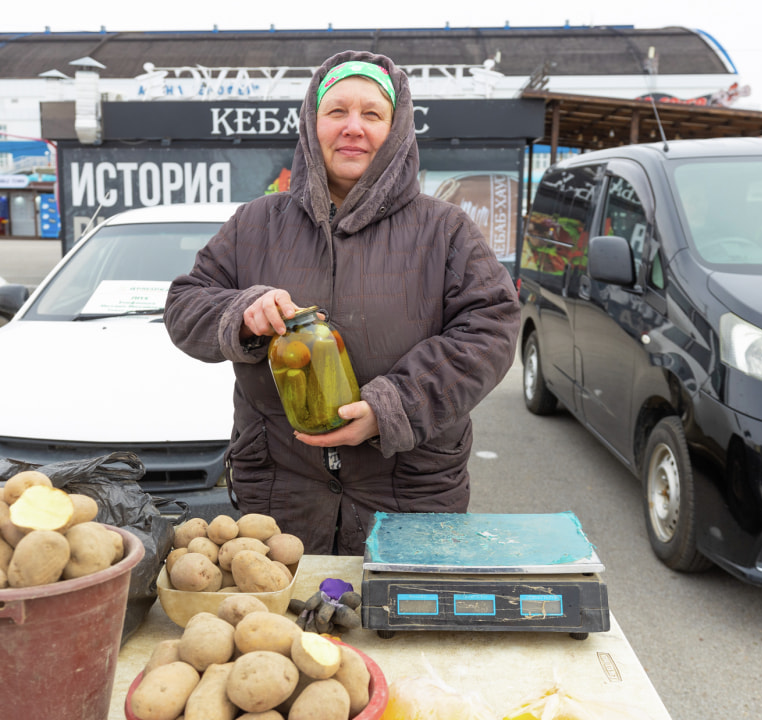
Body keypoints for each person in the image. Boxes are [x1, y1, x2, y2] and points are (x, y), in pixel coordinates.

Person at [165, 50, 519, 555]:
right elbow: (185, 303)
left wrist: (393, 406)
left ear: (395, 131)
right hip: (280, 494)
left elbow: (492, 329)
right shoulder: (255, 223)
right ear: (313, 126)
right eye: (337, 112)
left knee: (396, 627)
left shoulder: (445, 229)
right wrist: (241, 313)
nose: (353, 127)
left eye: (371, 114)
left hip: (409, 492)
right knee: (277, 630)